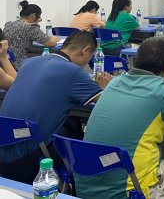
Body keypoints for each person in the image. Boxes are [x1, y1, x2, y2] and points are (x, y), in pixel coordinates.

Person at [75, 37, 164, 199]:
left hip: (85, 188)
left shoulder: (113, 83)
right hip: (128, 193)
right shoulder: (163, 92)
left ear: (137, 61)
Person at [0, 30, 111, 183]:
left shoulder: (30, 62)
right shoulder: (73, 72)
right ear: (85, 51)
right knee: (75, 137)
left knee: (71, 124)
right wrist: (105, 87)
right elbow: (107, 102)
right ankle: (75, 181)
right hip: (27, 160)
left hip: (4, 144)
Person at [3, 0, 59, 69]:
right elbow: (50, 43)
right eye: (39, 18)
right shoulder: (30, 27)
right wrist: (55, 38)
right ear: (33, 16)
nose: (38, 21)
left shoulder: (9, 24)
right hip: (18, 64)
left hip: (4, 63)